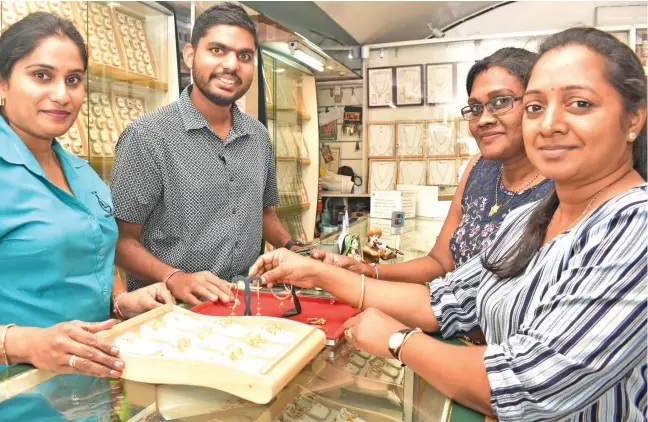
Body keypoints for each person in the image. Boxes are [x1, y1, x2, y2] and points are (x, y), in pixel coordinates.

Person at [250, 27, 646, 420]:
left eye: (579, 103)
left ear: (634, 117)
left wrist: (398, 340)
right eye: (536, 107)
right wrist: (317, 270)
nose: (549, 124)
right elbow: (445, 300)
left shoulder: (635, 227)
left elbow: (530, 385)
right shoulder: (531, 219)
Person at [0, 12, 172, 397]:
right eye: (41, 76)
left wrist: (120, 301)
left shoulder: (81, 172)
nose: (62, 95)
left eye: (74, 80)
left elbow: (86, 259)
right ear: (0, 83)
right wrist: (26, 343)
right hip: (2, 400)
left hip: (86, 393)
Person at [111, 3, 301, 305]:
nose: (231, 65)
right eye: (217, 50)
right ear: (190, 55)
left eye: (244, 56)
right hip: (171, 313)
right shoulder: (147, 137)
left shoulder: (258, 137)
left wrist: (294, 248)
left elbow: (264, 214)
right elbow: (120, 241)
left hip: (247, 303)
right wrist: (174, 277)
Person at [314, 48, 553, 285]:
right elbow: (439, 263)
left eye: (500, 102)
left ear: (536, 105)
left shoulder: (559, 188)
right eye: (476, 108)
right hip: (450, 315)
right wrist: (367, 271)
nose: (484, 119)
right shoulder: (478, 169)